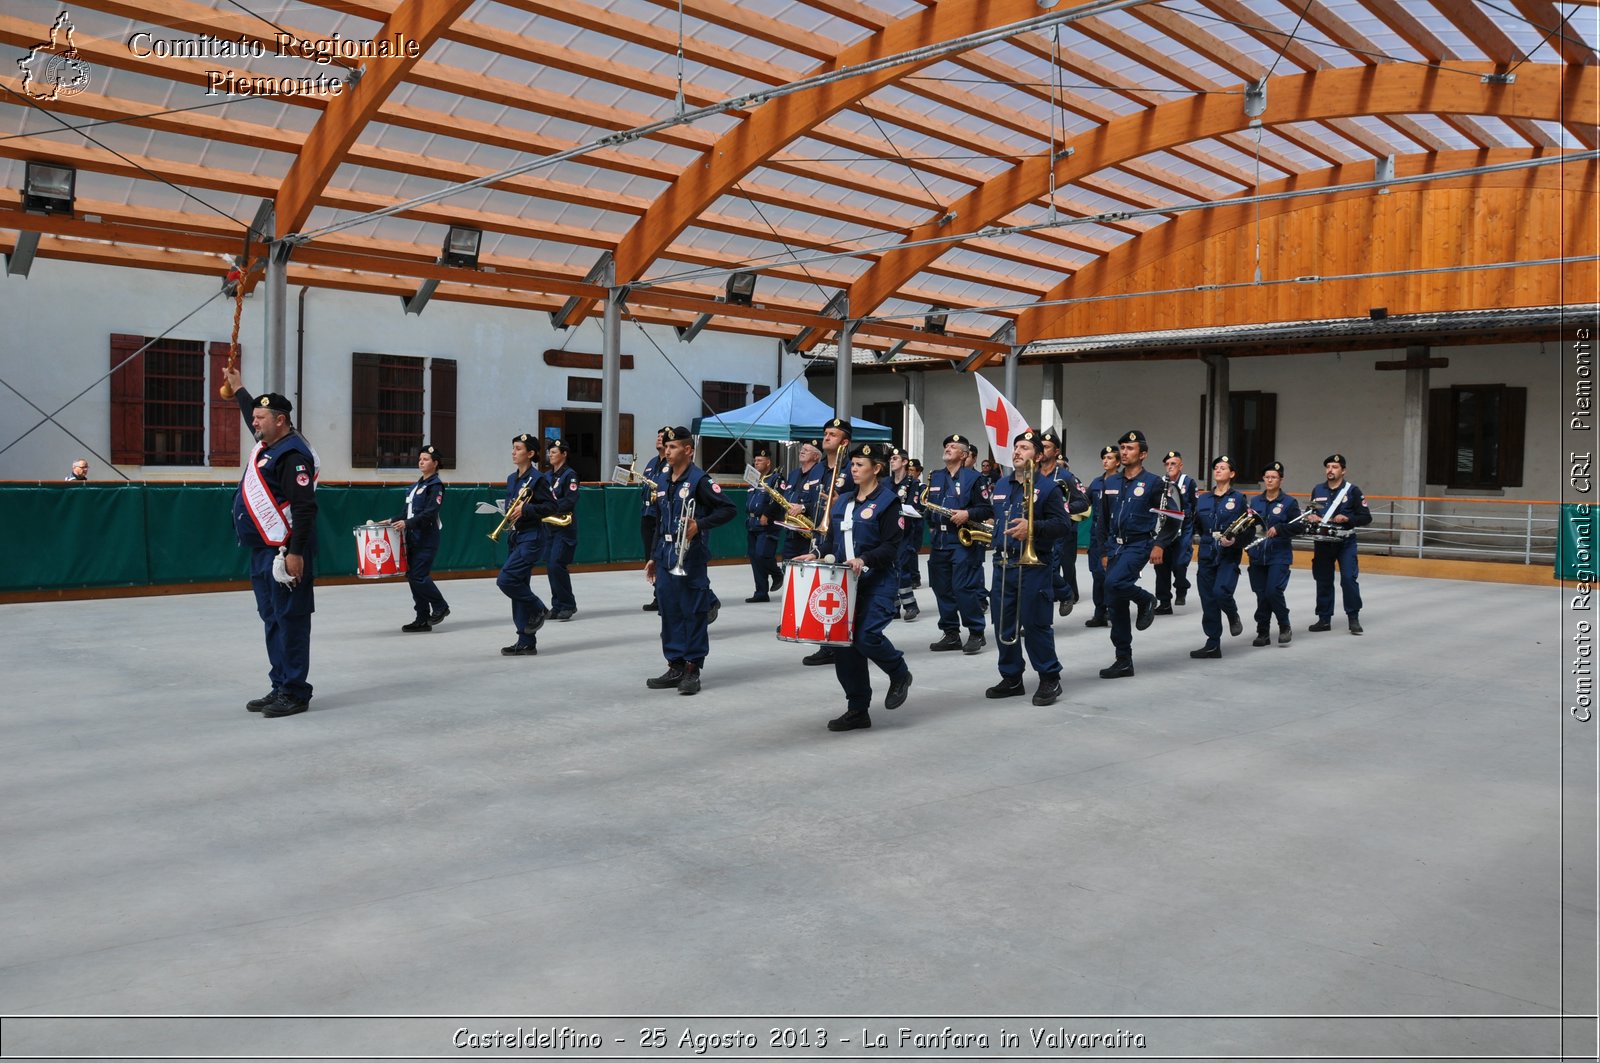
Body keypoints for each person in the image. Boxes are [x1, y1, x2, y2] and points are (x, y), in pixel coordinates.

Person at [796, 442, 912, 731]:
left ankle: (899, 673)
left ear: (877, 469)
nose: (853, 469)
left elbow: (891, 546)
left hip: (878, 582)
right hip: (844, 585)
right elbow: (831, 541)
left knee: (866, 637)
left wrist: (864, 558)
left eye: (860, 465)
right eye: (853, 464)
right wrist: (816, 554)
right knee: (845, 646)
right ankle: (858, 709)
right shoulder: (844, 501)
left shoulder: (888, 502)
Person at [223, 367, 318, 719]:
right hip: (262, 550)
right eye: (254, 416)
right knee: (272, 618)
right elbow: (252, 414)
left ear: (280, 421)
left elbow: (305, 509)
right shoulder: (269, 444)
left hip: (285, 552)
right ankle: (280, 683)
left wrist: (295, 554)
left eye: (260, 418)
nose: (254, 422)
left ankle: (295, 691)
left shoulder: (292, 456)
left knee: (291, 619)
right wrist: (238, 390)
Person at [644, 426, 737, 695]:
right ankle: (674, 664)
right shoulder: (663, 480)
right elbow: (660, 522)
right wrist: (652, 556)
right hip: (665, 554)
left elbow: (729, 509)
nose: (667, 451)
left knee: (693, 612)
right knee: (669, 610)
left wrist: (700, 524)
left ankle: (692, 668)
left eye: (673, 447)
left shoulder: (700, 480)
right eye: (666, 447)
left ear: (688, 450)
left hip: (691, 556)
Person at [985, 430, 1072, 706]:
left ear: (1038, 454)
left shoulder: (1047, 488)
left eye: (1024, 447)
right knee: (1003, 622)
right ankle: (1011, 677)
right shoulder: (1001, 485)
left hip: (1033, 566)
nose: (1017, 452)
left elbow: (1063, 526)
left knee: (1035, 622)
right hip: (1003, 563)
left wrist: (1032, 528)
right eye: (1016, 447)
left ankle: (1049, 677)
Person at [1098, 430, 1170, 679]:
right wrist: (1104, 550)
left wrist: (1159, 544)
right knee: (1115, 601)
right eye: (1122, 448)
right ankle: (1123, 659)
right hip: (1114, 546)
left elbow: (1172, 517)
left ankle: (1146, 599)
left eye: (1129, 448)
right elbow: (1103, 520)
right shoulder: (1110, 483)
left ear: (1143, 454)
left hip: (1138, 544)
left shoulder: (1154, 483)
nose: (1124, 452)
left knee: (1114, 583)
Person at [786, 417, 851, 667]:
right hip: (819, 535)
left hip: (842, 538)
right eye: (825, 433)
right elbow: (815, 501)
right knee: (825, 588)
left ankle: (843, 641)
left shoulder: (851, 467)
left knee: (841, 590)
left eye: (832, 434)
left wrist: (841, 503)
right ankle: (827, 643)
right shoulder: (818, 469)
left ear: (844, 441)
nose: (826, 437)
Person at [925, 433, 992, 654]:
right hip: (939, 542)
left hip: (962, 541)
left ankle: (975, 632)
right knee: (941, 588)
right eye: (946, 446)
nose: (948, 448)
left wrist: (967, 513)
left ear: (963, 455)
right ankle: (951, 633)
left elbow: (986, 509)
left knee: (964, 588)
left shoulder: (974, 479)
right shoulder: (934, 477)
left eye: (953, 446)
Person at [497, 433, 556, 657]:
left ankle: (539, 607)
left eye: (519, 448)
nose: (514, 452)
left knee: (507, 579)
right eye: (513, 448)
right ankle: (525, 640)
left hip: (532, 537)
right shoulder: (513, 478)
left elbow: (551, 506)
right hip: (515, 535)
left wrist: (527, 510)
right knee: (518, 586)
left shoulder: (538, 479)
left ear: (530, 454)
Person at [1188, 455, 1250, 659]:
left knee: (1221, 592)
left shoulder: (1239, 499)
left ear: (1232, 474)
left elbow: (1247, 529)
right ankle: (1213, 643)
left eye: (1223, 468)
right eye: (1216, 467)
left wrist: (1235, 541)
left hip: (1228, 554)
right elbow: (1196, 523)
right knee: (1208, 600)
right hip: (1207, 553)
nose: (1218, 470)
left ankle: (1232, 615)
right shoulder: (1203, 498)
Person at [1305, 453, 1371, 635]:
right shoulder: (1318, 490)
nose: (1330, 470)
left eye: (1334, 467)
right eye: (1328, 467)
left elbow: (1366, 517)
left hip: (1345, 541)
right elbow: (1308, 512)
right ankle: (1324, 619)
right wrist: (1311, 516)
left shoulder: (1352, 491)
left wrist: (1348, 518)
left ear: (1343, 470)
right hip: (1323, 542)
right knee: (1323, 580)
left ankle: (1353, 618)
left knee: (1349, 579)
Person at [391, 444, 449, 632]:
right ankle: (422, 618)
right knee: (413, 577)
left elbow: (430, 513)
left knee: (419, 576)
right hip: (412, 538)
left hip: (426, 538)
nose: (421, 462)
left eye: (425, 459)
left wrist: (407, 524)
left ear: (435, 463)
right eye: (420, 459)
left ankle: (440, 606)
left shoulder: (435, 486)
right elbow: (406, 512)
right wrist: (391, 520)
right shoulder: (416, 487)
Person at [1247, 461, 1301, 647]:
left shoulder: (1289, 502)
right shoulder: (1255, 501)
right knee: (1261, 594)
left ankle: (1284, 625)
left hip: (1279, 554)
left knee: (1273, 591)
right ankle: (1263, 632)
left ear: (1281, 480)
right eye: (1267, 477)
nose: (1270, 480)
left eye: (1274, 477)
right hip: (1257, 554)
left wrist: (1280, 528)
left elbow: (1298, 526)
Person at [1038, 429, 1090, 617]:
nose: (1042, 450)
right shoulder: (1032, 474)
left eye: (1046, 447)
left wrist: (1063, 509)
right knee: (1039, 570)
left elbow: (1083, 501)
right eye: (1040, 446)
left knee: (1058, 566)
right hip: (1038, 530)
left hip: (1060, 531)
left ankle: (1067, 593)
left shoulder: (1065, 477)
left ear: (1056, 451)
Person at [1152, 450, 1197, 614]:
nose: (1170, 467)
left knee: (1179, 562)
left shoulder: (1189, 482)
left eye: (1173, 464)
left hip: (1184, 528)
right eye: (1168, 464)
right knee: (1161, 565)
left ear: (1181, 466)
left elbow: (1195, 504)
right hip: (1165, 529)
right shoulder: (1159, 483)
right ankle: (1164, 602)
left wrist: (1194, 530)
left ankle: (1181, 587)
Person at [544, 438, 580, 620]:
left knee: (556, 564)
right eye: (549, 452)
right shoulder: (547, 476)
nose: (550, 454)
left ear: (564, 454)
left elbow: (570, 500)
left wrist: (550, 507)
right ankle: (557, 604)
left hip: (564, 527)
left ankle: (568, 604)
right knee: (550, 566)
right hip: (549, 527)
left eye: (554, 452)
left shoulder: (570, 475)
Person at [1083, 445, 1118, 628]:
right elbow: (1083, 502)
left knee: (1111, 576)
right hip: (1097, 535)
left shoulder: (1121, 482)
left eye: (1110, 458)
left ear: (1118, 462)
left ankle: (1114, 611)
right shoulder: (1097, 483)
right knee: (1097, 574)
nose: (1106, 460)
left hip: (1113, 535)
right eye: (1104, 457)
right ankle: (1100, 613)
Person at [744, 450, 784, 603]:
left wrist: (766, 514)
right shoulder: (754, 479)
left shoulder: (775, 478)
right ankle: (761, 592)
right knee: (755, 558)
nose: (756, 462)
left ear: (768, 462)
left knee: (762, 555)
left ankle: (777, 574)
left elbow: (778, 499)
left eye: (760, 460)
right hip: (752, 524)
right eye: (755, 460)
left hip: (767, 524)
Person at [889, 447, 922, 621]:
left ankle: (910, 605)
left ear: (904, 462)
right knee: (889, 569)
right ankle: (893, 607)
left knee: (902, 569)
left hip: (905, 532)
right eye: (891, 458)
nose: (892, 461)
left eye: (895, 458)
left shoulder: (913, 484)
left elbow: (914, 508)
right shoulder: (886, 483)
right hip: (888, 532)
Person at [641, 428, 667, 612]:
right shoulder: (652, 462)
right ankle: (658, 595)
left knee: (660, 555)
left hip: (662, 515)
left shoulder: (672, 462)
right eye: (657, 436)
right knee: (649, 556)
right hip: (647, 514)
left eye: (663, 437)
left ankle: (663, 596)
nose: (659, 439)